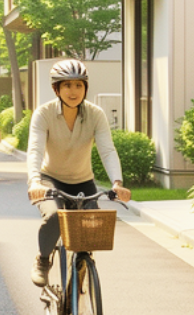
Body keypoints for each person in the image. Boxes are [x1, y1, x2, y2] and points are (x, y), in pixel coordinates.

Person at [26, 58, 131, 286]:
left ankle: (82, 265)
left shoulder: (95, 114)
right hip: (50, 181)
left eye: (79, 85)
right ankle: (43, 260)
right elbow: (34, 149)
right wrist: (35, 182)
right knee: (54, 216)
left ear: (85, 87)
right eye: (67, 85)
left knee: (91, 228)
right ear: (57, 89)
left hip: (83, 182)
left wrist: (117, 183)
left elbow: (107, 150)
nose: (73, 91)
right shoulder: (43, 114)